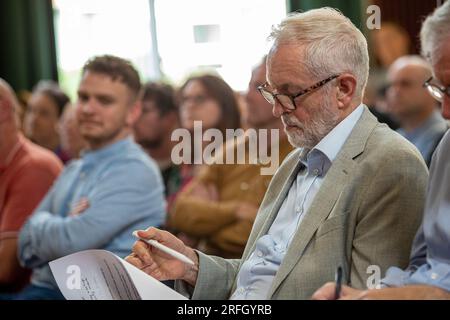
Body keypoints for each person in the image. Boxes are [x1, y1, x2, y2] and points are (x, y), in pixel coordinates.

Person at [126, 8, 428, 300]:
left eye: (289, 94)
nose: (276, 109)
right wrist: (191, 265)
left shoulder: (391, 164)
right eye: (271, 92)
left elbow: (368, 297)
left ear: (344, 89)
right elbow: (258, 275)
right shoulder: (295, 160)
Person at [313, 1, 450, 300]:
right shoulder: (447, 148)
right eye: (441, 88)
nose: (447, 110)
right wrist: (372, 293)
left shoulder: (419, 147)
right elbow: (425, 263)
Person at [0, 55, 166, 300]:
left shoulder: (137, 171)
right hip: (42, 291)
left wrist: (43, 225)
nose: (88, 108)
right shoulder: (73, 170)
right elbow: (24, 245)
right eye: (84, 97)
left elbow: (71, 243)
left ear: (133, 112)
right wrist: (62, 228)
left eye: (104, 100)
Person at [168, 58, 293, 258]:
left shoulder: (298, 154)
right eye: (250, 86)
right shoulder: (231, 150)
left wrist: (208, 225)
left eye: (261, 88)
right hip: (208, 268)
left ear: (288, 95)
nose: (247, 96)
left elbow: (263, 237)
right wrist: (236, 211)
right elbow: (180, 212)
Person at [0, 79, 62, 293]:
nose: (34, 119)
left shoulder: (35, 167)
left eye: (43, 113)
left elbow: (5, 270)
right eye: (32, 111)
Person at [386, 55, 448, 166]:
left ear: (431, 87)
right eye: (392, 85)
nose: (395, 92)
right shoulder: (395, 137)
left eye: (405, 84)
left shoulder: (445, 136)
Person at [133, 82, 181, 207]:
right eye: (134, 110)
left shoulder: (188, 171)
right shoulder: (129, 165)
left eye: (144, 111)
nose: (134, 118)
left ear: (170, 118)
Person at [24, 81, 71, 164]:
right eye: (30, 110)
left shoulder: (69, 161)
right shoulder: (22, 156)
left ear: (61, 120)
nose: (33, 119)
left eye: (44, 113)